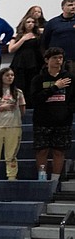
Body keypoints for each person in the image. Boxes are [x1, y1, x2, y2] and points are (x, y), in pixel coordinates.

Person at [30, 48, 75, 181]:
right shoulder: (38, 79)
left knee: (59, 151)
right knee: (42, 151)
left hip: (62, 121)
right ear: (46, 60)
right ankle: (42, 178)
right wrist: (55, 87)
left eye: (60, 58)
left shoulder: (70, 78)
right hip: (42, 120)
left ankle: (55, 180)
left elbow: (73, 99)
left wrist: (67, 112)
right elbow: (35, 100)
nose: (58, 60)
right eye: (54, 58)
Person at [9, 12, 45, 94]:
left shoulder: (38, 35)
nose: (30, 24)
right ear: (24, 23)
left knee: (33, 84)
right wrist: (23, 39)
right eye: (28, 22)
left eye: (33, 22)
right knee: (20, 85)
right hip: (20, 63)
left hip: (35, 62)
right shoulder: (17, 35)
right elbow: (11, 49)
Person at [42, 0, 75, 72]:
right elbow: (44, 41)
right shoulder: (53, 23)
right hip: (57, 60)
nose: (73, 7)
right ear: (63, 7)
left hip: (73, 60)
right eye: (70, 5)